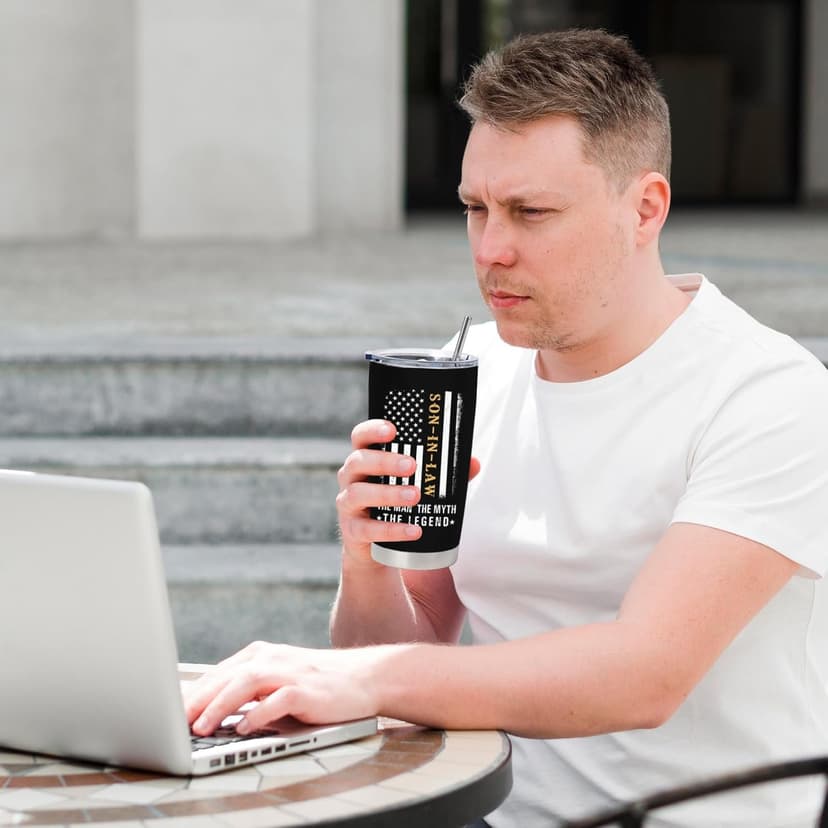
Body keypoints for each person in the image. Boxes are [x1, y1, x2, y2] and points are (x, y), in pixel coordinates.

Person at [184, 29, 828, 827]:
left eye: (531, 212)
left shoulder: (768, 395)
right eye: (475, 209)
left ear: (645, 209)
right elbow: (410, 645)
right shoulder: (473, 370)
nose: (491, 250)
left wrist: (366, 678)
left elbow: (644, 675)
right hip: (486, 810)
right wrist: (371, 561)